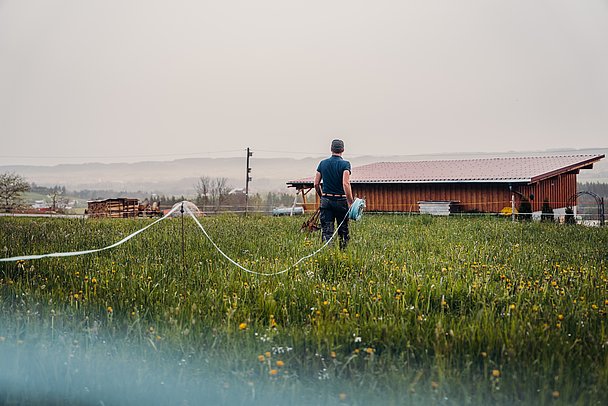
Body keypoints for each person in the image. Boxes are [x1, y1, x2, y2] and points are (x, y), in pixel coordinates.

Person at [314, 139, 354, 249]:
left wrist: (322, 196)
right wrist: (350, 202)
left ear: (331, 149)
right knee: (343, 230)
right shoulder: (345, 164)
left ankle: (328, 254)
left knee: (327, 231)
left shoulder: (322, 164)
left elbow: (316, 184)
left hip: (326, 200)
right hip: (341, 201)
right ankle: (343, 254)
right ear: (343, 150)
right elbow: (346, 184)